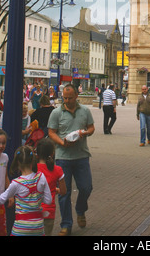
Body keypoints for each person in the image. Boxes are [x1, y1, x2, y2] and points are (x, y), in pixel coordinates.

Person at [48, 83, 95, 236]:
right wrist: (62, 142)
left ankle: (80, 209)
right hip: (63, 158)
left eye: (70, 98)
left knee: (86, 187)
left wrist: (85, 133)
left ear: (76, 96)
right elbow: (51, 132)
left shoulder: (85, 111)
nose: (67, 101)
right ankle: (66, 224)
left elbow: (91, 128)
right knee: (64, 192)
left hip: (81, 155)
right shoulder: (56, 112)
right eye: (65, 98)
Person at [0, 145, 52, 236]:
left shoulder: (16, 183)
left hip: (21, 228)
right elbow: (48, 200)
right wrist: (37, 197)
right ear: (32, 160)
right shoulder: (41, 176)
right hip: (38, 227)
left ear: (18, 162)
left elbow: (1, 200)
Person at [36, 138, 67, 236]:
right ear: (52, 153)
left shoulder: (32, 168)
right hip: (48, 211)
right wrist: (55, 190)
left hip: (33, 210)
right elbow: (63, 191)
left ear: (37, 153)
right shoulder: (57, 170)